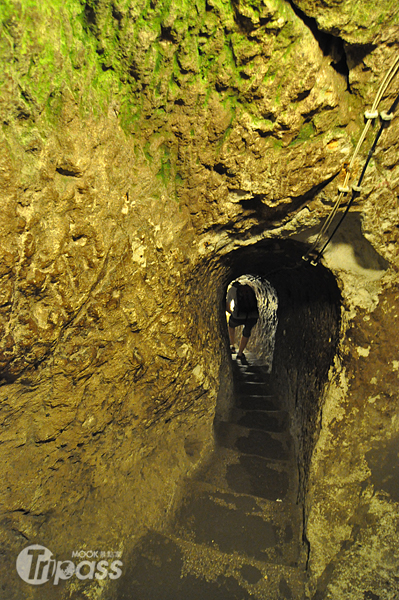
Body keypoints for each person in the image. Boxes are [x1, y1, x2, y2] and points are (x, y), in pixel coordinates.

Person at [226, 281, 259, 364]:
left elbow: (227, 307)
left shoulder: (232, 290)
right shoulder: (249, 288)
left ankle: (232, 346)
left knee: (231, 324)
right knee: (247, 332)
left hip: (239, 316)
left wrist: (232, 313)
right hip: (253, 316)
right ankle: (240, 354)